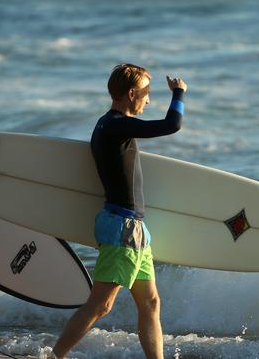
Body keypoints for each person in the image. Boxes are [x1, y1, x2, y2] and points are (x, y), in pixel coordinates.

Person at [52, 64, 186, 359]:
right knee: (100, 304)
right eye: (146, 93)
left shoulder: (107, 124)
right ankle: (55, 356)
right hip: (123, 227)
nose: (148, 100)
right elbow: (171, 124)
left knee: (150, 302)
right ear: (130, 93)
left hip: (132, 228)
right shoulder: (115, 124)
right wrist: (178, 92)